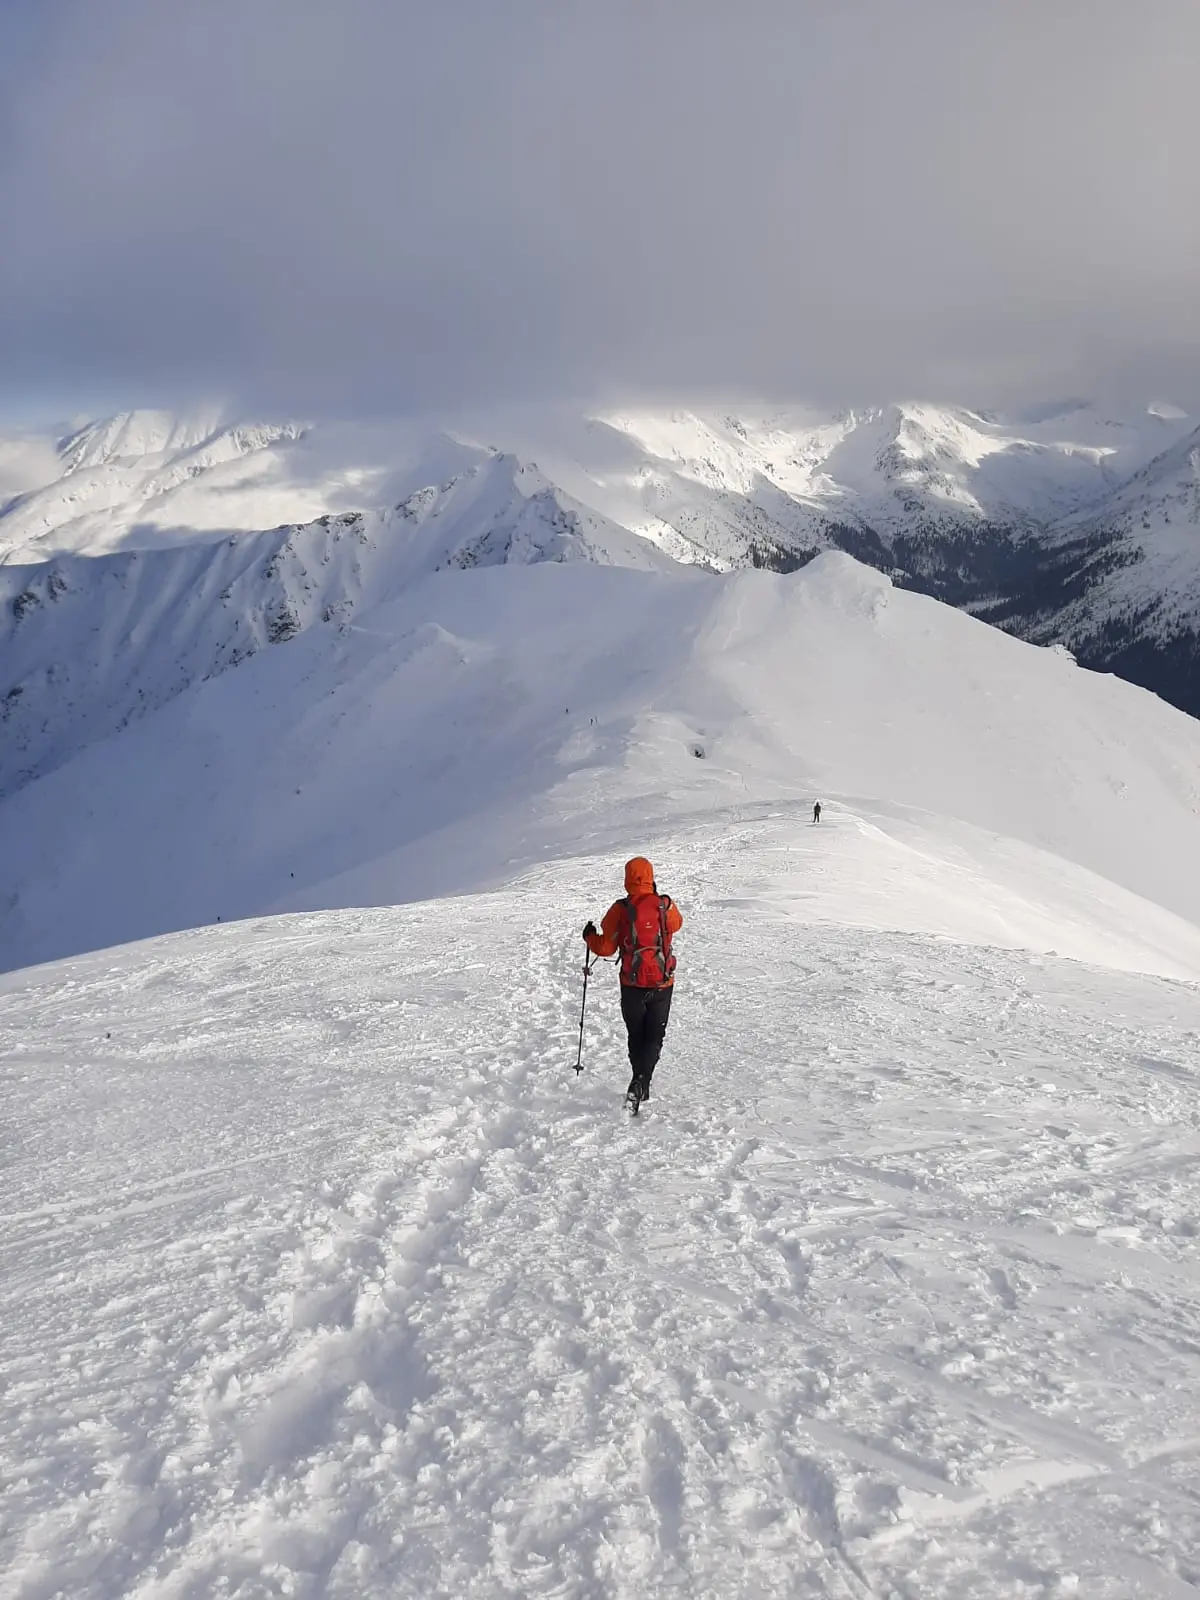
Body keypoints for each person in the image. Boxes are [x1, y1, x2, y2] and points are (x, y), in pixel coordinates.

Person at [583, 856, 683, 1107]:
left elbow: (605, 948)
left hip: (632, 984)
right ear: (651, 876)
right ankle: (642, 1082)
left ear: (627, 878)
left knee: (636, 1035)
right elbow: (677, 925)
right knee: (654, 1036)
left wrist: (589, 937)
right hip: (663, 982)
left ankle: (639, 1080)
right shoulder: (664, 905)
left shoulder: (621, 909)